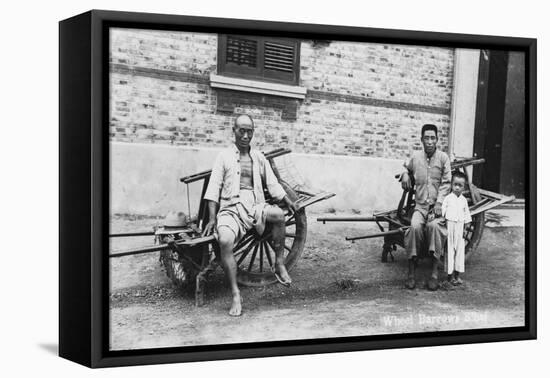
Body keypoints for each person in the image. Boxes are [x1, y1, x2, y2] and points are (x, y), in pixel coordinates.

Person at [201, 114, 298, 316]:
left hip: (255, 205)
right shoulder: (224, 156)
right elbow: (213, 188)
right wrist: (211, 218)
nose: (245, 135)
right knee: (225, 240)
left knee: (279, 215)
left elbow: (272, 183)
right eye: (241, 131)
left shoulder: (259, 157)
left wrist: (287, 200)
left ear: (253, 133)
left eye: (249, 131)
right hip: (231, 207)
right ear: (234, 131)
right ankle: (236, 293)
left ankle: (279, 264)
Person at [400, 124, 451, 291]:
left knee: (435, 227)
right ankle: (411, 273)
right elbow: (405, 167)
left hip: (437, 208)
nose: (430, 141)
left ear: (437, 140)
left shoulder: (443, 158)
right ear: (421, 139)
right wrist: (406, 174)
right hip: (420, 207)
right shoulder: (416, 157)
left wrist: (439, 203)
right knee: (414, 227)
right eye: (426, 138)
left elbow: (447, 183)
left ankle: (434, 273)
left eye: (433, 138)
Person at [442, 172, 472, 285]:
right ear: (451, 184)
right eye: (455, 184)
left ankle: (457, 275)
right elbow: (443, 212)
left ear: (464, 187)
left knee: (459, 251)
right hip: (450, 227)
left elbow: (467, 214)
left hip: (460, 227)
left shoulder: (464, 200)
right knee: (449, 250)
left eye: (460, 185)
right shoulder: (448, 199)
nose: (457, 187)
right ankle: (449, 276)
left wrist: (466, 226)